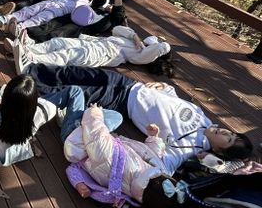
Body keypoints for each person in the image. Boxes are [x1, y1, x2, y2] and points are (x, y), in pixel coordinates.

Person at [27, 64, 254, 175]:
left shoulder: (191, 146)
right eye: (232, 133)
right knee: (81, 73)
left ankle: (31, 92)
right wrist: (165, 87)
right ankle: (32, 69)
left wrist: (215, 164)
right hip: (133, 86)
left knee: (77, 91)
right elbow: (174, 102)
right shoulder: (204, 119)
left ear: (219, 150)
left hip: (124, 102)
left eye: (229, 140)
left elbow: (165, 166)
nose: (227, 133)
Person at [63, 104, 183, 208]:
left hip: (75, 141)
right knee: (111, 118)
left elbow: (95, 132)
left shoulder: (112, 159)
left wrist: (94, 111)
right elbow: (152, 155)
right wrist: (154, 138)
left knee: (79, 97)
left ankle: (62, 116)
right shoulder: (141, 188)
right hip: (99, 143)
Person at [12, 25, 173, 75]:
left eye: (157, 40)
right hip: (95, 43)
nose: (156, 39)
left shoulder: (143, 55)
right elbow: (116, 29)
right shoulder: (135, 41)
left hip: (104, 54)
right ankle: (31, 48)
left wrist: (162, 46)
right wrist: (134, 35)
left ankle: (32, 60)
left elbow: (162, 47)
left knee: (68, 55)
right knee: (59, 42)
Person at [15, 0, 128, 44]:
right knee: (52, 23)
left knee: (60, 32)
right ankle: (25, 31)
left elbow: (118, 10)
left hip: (83, 27)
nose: (111, 6)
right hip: (73, 15)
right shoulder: (99, 7)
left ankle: (31, 42)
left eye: (113, 6)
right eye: (112, 5)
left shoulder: (112, 19)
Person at [0, 0, 118, 37]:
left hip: (64, 8)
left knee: (42, 17)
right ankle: (6, 18)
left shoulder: (97, 2)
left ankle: (20, 28)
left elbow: (101, 0)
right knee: (32, 9)